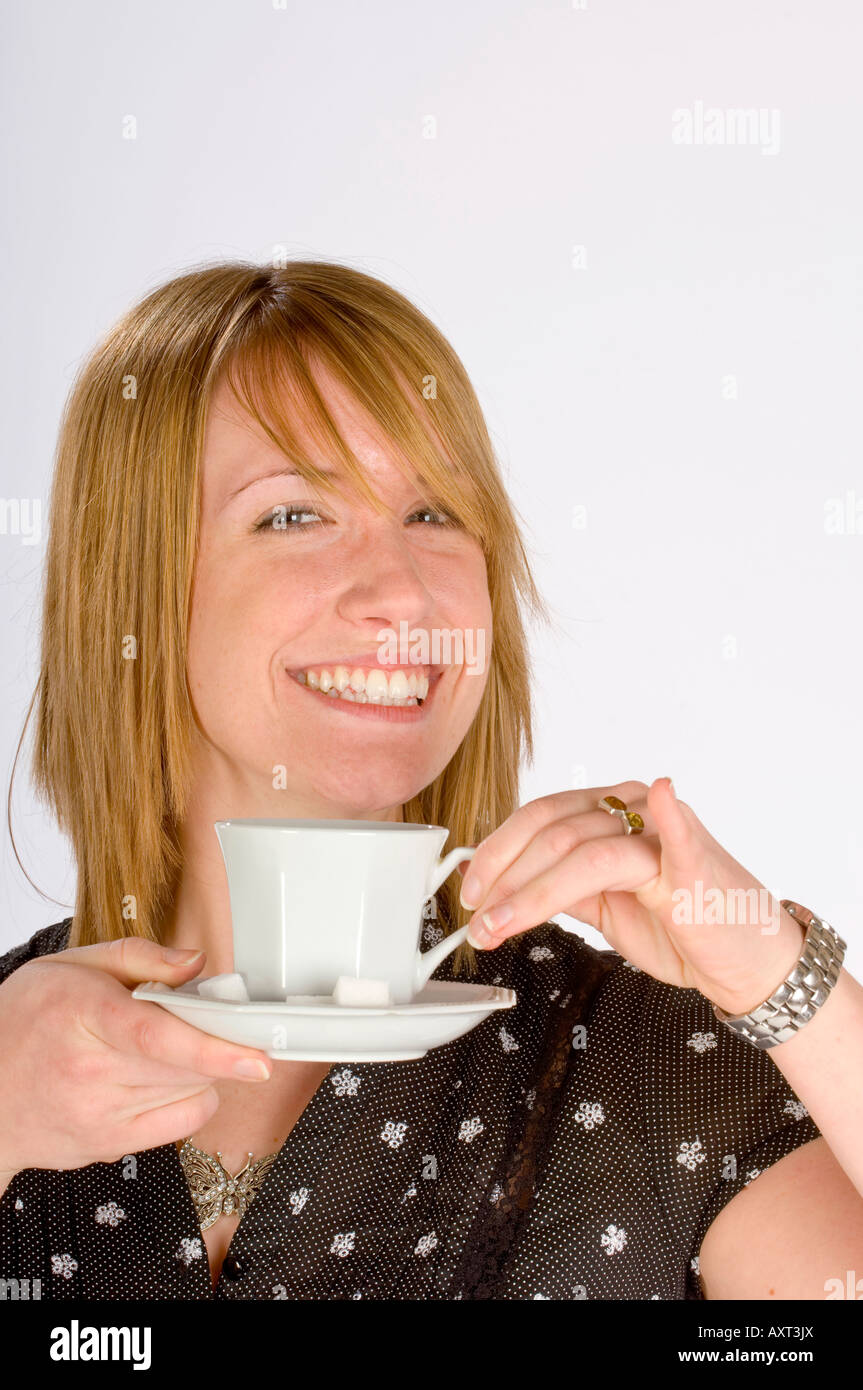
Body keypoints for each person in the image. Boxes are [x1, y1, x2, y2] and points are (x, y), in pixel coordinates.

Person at [1, 261, 861, 1300]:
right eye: (291, 516)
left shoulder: (654, 1066)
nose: (399, 594)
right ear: (131, 581)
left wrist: (779, 979)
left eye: (433, 513)